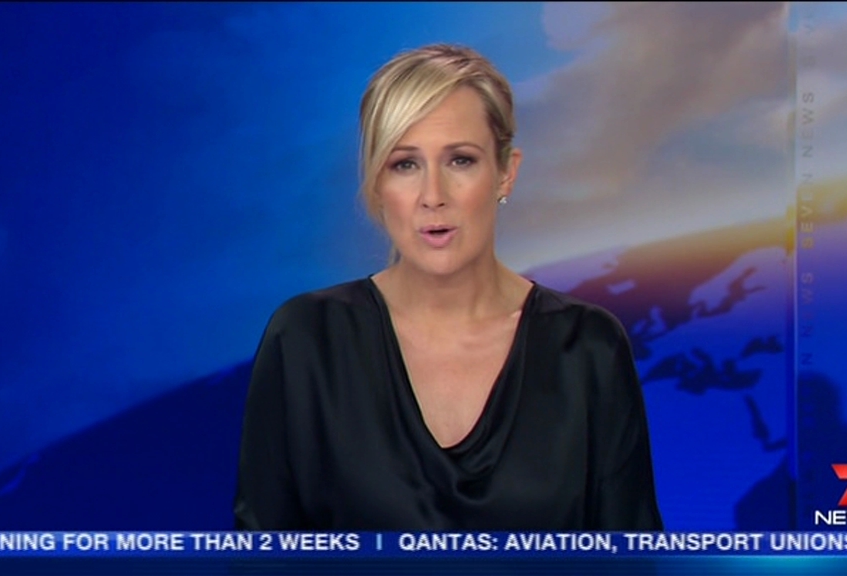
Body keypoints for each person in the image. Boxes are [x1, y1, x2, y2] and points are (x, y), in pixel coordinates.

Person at [234, 43, 663, 530]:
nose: (432, 196)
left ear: (506, 173)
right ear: (377, 183)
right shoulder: (307, 340)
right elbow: (263, 556)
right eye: (405, 164)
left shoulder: (587, 347)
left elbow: (629, 557)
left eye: (460, 160)